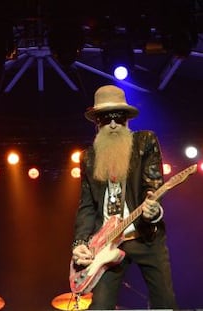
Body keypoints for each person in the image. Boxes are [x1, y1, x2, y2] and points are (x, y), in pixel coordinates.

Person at [70, 85, 178, 309]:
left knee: (165, 302)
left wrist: (153, 210)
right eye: (105, 118)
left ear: (127, 119)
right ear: (96, 122)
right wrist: (80, 243)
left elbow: (153, 184)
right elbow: (87, 205)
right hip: (106, 244)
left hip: (145, 236)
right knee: (100, 306)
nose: (112, 124)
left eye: (118, 118)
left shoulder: (144, 142)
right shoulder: (88, 157)